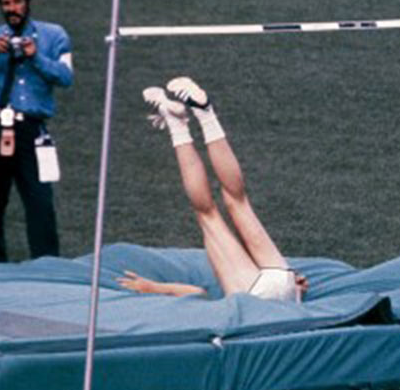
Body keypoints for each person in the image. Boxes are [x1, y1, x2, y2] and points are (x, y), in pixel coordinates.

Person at [117, 78, 306, 301]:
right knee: (209, 214)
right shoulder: (234, 298)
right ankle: (194, 117)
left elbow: (200, 293)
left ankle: (190, 118)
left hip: (282, 281)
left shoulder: (238, 305)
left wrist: (153, 287)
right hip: (265, 291)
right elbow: (200, 294)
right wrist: (154, 288)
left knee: (236, 202)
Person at [0, 0, 73, 262]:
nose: (13, 9)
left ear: (28, 2)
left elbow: (65, 77)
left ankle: (47, 266)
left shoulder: (54, 35)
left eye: (18, 2)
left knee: (40, 202)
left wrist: (36, 57)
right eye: (7, 4)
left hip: (32, 129)